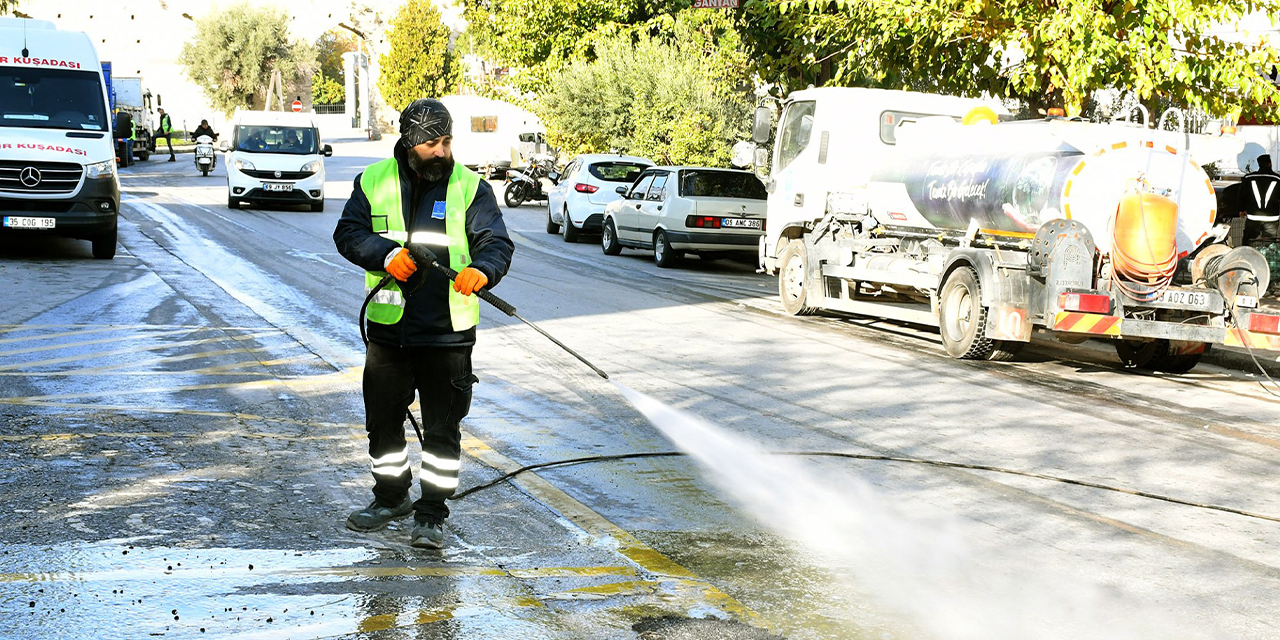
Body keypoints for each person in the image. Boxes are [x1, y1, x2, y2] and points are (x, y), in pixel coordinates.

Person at [333, 98, 514, 549]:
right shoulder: (372, 181)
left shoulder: (471, 188)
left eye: (447, 141)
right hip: (389, 331)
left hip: (447, 334)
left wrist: (484, 270)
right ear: (410, 143)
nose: (442, 150)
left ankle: (431, 514)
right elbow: (349, 234)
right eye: (432, 142)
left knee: (441, 430)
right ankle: (391, 497)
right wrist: (386, 256)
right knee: (383, 424)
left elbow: (496, 242)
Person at [1241, 154, 1280, 245]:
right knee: (1270, 244)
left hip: (1253, 217)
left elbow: (1242, 195)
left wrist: (1241, 209)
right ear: (1270, 164)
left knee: (1248, 242)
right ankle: (1268, 258)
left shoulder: (1248, 178)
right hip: (1272, 218)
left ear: (1259, 164)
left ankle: (1246, 257)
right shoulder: (1278, 179)